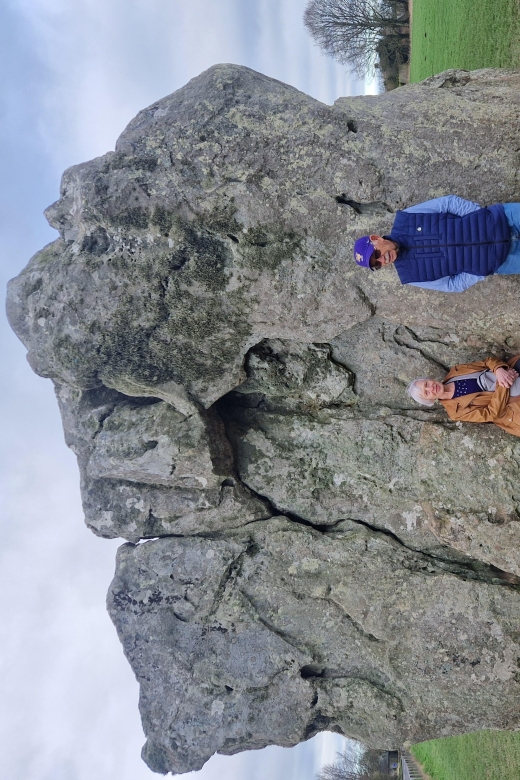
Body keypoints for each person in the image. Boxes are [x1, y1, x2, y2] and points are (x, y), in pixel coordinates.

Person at [353, 195, 520, 292]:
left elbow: (447, 203)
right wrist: (481, 268)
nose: (382, 260)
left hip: (504, 218)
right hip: (505, 260)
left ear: (376, 238)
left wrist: (481, 217)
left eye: (376, 254)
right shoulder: (410, 275)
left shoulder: (406, 219)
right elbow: (451, 285)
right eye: (377, 265)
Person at [407, 356, 520, 437]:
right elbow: (490, 414)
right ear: (430, 400)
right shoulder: (455, 412)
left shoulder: (455, 371)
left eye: (427, 384)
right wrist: (503, 383)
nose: (431, 388)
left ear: (430, 379)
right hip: (510, 402)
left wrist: (498, 370)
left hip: (508, 371)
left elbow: (487, 362)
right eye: (427, 393)